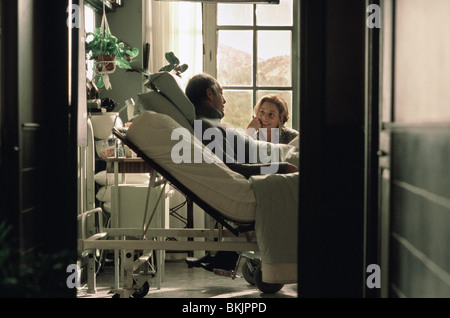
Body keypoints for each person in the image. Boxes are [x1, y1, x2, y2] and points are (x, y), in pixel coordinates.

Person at [183, 73, 298, 271]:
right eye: (221, 92)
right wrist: (280, 167)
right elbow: (231, 167)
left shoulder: (212, 124)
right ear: (209, 94)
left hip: (283, 152)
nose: (225, 99)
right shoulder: (205, 125)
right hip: (283, 157)